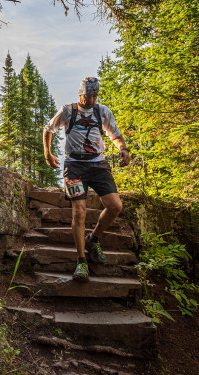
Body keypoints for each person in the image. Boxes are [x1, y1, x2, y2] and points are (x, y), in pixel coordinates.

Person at [43, 77, 130, 282]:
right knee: (79, 211)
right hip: (74, 167)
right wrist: (48, 153)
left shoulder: (102, 111)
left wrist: (123, 149)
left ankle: (94, 239)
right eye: (87, 95)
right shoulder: (68, 111)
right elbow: (48, 129)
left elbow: (115, 134)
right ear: (80, 93)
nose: (90, 99)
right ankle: (81, 262)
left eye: (94, 95)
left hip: (98, 165)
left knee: (115, 206)